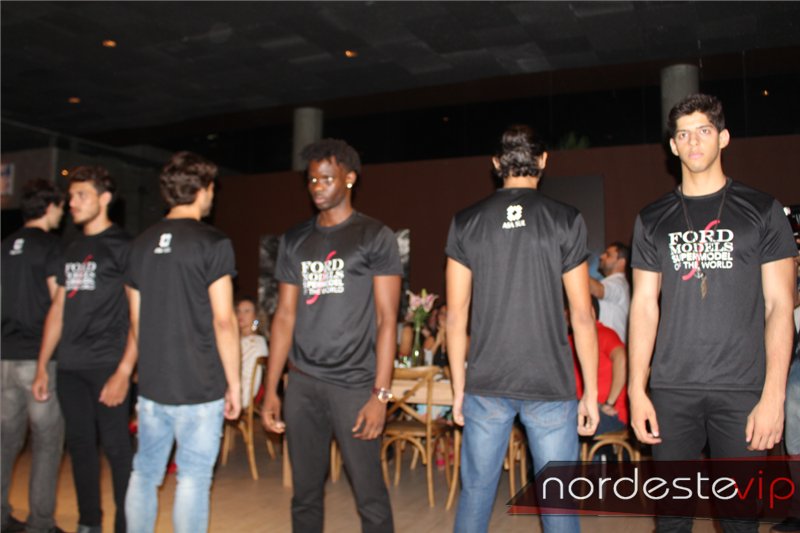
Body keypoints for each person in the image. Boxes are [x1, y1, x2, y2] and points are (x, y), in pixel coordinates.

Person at [629, 94, 797, 532]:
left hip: (742, 390)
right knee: (671, 520)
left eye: (703, 131)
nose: (693, 142)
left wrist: (774, 395)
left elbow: (780, 306)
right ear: (673, 146)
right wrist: (636, 388)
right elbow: (643, 306)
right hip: (671, 390)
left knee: (739, 520)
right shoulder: (651, 219)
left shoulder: (762, 210)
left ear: (723, 138)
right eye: (683, 134)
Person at [446, 125, 599, 533]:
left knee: (475, 495)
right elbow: (583, 315)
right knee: (559, 505)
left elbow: (456, 316)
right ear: (544, 160)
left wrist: (459, 388)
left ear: (496, 163)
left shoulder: (466, 222)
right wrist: (590, 393)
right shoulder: (566, 219)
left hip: (486, 381)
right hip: (550, 382)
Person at [261, 138, 401, 533]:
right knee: (304, 495)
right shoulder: (294, 240)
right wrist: (271, 389)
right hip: (303, 384)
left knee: (370, 497)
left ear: (349, 178)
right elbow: (284, 316)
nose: (318, 187)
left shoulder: (374, 236)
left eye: (327, 178)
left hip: (355, 386)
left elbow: (387, 319)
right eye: (312, 180)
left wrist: (380, 395)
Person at [124, 151, 240, 533]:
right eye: (212, 189)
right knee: (193, 478)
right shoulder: (213, 242)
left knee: (144, 473)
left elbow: (136, 320)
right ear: (203, 189)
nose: (213, 197)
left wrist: (141, 373)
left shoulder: (139, 245)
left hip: (153, 385)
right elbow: (224, 320)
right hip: (200, 385)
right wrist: (235, 384)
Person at [32, 166, 134, 533]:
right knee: (79, 447)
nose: (71, 203)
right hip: (70, 366)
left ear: (104, 199)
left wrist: (125, 370)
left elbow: (139, 313)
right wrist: (43, 365)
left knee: (118, 449)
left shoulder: (124, 246)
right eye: (71, 196)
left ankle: (126, 526)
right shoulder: (71, 247)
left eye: (81, 196)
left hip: (108, 363)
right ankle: (89, 522)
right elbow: (58, 309)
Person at [1, 179, 67, 533]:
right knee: (46, 442)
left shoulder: (4, 246)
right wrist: (44, 363)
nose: (63, 214)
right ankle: (40, 522)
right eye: (61, 207)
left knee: (4, 442)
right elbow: (59, 304)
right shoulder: (52, 247)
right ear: (51, 206)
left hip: (3, 358)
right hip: (38, 359)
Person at [570, 297, 628, 436]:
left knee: (558, 423)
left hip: (607, 411)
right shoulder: (569, 340)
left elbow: (623, 360)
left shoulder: (604, 333)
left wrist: (609, 403)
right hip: (577, 406)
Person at [588, 242, 630, 341]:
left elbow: (599, 290)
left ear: (621, 262)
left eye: (608, 254)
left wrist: (576, 271)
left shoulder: (619, 283)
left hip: (612, 347)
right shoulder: (614, 282)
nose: (601, 256)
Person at [236, 296, 268, 407]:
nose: (241, 315)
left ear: (255, 317)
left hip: (243, 394)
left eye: (246, 311)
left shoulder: (256, 342)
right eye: (238, 311)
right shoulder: (235, 339)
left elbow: (247, 377)